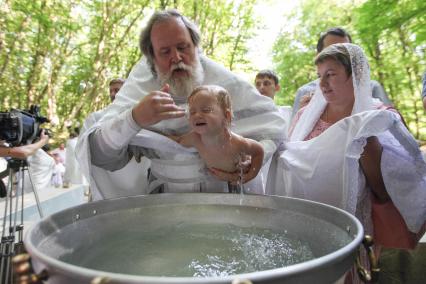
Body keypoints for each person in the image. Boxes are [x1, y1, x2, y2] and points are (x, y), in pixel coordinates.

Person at [76, 9, 285, 200]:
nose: (176, 58)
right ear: (152, 59)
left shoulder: (225, 83)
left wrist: (254, 159)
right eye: (165, 52)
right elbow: (99, 153)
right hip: (163, 204)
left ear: (196, 47)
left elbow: (273, 128)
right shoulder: (139, 90)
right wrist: (134, 118)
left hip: (223, 199)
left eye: (183, 47)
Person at [271, 43, 425, 283]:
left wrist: (364, 143)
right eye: (319, 76)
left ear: (356, 76)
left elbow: (382, 189)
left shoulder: (376, 117)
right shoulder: (305, 116)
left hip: (350, 222)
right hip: (303, 221)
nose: (322, 84)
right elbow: (288, 157)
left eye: (331, 75)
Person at [169, 85, 264, 185]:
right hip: (217, 180)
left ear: (226, 116)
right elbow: (178, 140)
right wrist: (153, 132)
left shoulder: (237, 143)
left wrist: (251, 174)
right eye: (192, 112)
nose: (197, 115)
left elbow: (259, 151)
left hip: (240, 178)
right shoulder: (195, 138)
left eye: (206, 110)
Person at [291, 27, 393, 118]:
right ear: (318, 55)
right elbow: (292, 136)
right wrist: (303, 117)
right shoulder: (304, 92)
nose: (338, 55)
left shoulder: (372, 87)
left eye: (345, 50)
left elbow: (388, 127)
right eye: (331, 49)